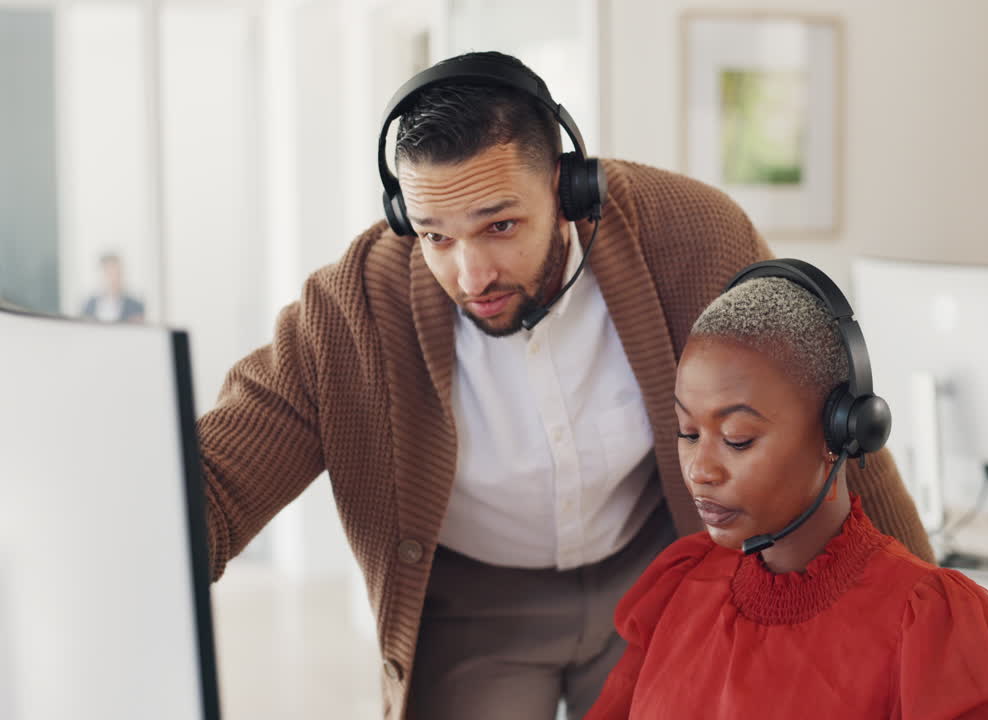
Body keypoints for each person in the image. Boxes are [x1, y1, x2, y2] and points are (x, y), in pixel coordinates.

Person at [196, 51, 933, 720]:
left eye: (500, 226)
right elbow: (217, 485)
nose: (469, 274)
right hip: (476, 604)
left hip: (655, 572)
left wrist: (931, 630)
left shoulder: (696, 238)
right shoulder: (350, 310)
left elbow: (836, 439)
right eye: (434, 236)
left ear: (564, 184)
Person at [585, 270, 988, 719]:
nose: (700, 469)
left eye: (738, 438)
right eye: (688, 432)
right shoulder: (681, 584)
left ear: (838, 431)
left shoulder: (927, 623)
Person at [80, 253, 145, 323]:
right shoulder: (89, 305)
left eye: (117, 273)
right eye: (109, 273)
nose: (113, 278)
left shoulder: (135, 306)